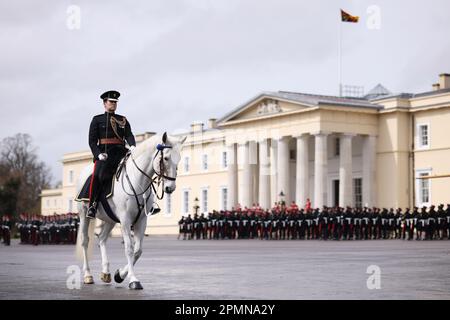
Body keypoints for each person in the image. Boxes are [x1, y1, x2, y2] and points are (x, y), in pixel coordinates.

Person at [87, 90, 136, 219]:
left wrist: (132, 145)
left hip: (121, 152)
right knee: (97, 176)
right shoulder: (97, 120)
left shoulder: (123, 119)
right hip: (105, 154)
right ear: (104, 103)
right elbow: (92, 141)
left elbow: (129, 135)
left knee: (139, 170)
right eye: (111, 102)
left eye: (115, 102)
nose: (113, 104)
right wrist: (98, 154)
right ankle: (92, 205)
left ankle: (148, 204)